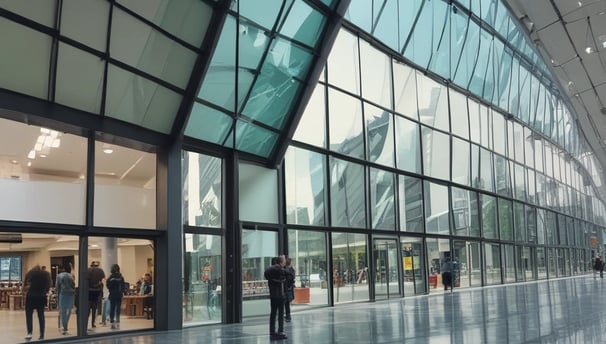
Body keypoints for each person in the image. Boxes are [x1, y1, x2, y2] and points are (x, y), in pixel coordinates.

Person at [23, 264, 52, 340]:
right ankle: (42, 334)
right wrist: (45, 291)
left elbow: (24, 286)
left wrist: (27, 288)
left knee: (29, 315)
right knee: (41, 316)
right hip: (41, 297)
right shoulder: (46, 274)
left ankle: (29, 333)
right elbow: (49, 285)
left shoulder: (30, 273)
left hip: (31, 297)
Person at [264, 256, 287, 340]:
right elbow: (288, 278)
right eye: (284, 260)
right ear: (281, 262)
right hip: (279, 295)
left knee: (273, 314)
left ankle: (272, 331)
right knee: (280, 314)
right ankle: (280, 331)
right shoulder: (280, 271)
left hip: (273, 295)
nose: (285, 262)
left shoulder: (270, 272)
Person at [55, 263, 75, 335]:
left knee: (63, 311)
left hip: (62, 294)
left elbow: (57, 287)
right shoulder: (71, 276)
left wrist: (58, 296)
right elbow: (74, 285)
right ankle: (65, 325)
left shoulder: (59, 276)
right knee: (69, 311)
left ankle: (64, 327)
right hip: (71, 295)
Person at [106, 264, 125, 329]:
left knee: (112, 307)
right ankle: (118, 318)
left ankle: (112, 319)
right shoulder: (121, 277)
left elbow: (108, 285)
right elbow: (123, 286)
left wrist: (111, 290)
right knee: (118, 307)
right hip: (119, 294)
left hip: (112, 294)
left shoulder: (110, 277)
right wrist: (122, 291)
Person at [87, 261, 105, 329]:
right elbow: (102, 281)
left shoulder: (88, 270)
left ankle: (86, 322)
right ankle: (92, 323)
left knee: (88, 308)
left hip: (89, 291)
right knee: (94, 308)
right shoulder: (100, 271)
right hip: (97, 291)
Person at [283, 257, 296, 322]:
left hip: (286, 289)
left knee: (286, 303)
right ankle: (288, 316)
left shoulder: (285, 269)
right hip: (288, 288)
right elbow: (292, 278)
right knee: (287, 303)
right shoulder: (291, 270)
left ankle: (287, 316)